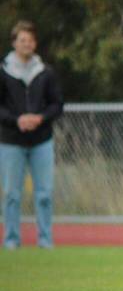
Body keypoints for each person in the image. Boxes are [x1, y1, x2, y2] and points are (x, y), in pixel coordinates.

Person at [1, 21, 63, 249]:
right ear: (14, 43)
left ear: (35, 43)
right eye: (22, 40)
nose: (26, 44)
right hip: (11, 141)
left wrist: (40, 118)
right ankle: (11, 241)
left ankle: (45, 241)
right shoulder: (4, 71)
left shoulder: (45, 72)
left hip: (41, 140)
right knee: (11, 194)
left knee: (44, 194)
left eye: (30, 40)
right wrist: (17, 120)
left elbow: (57, 104)